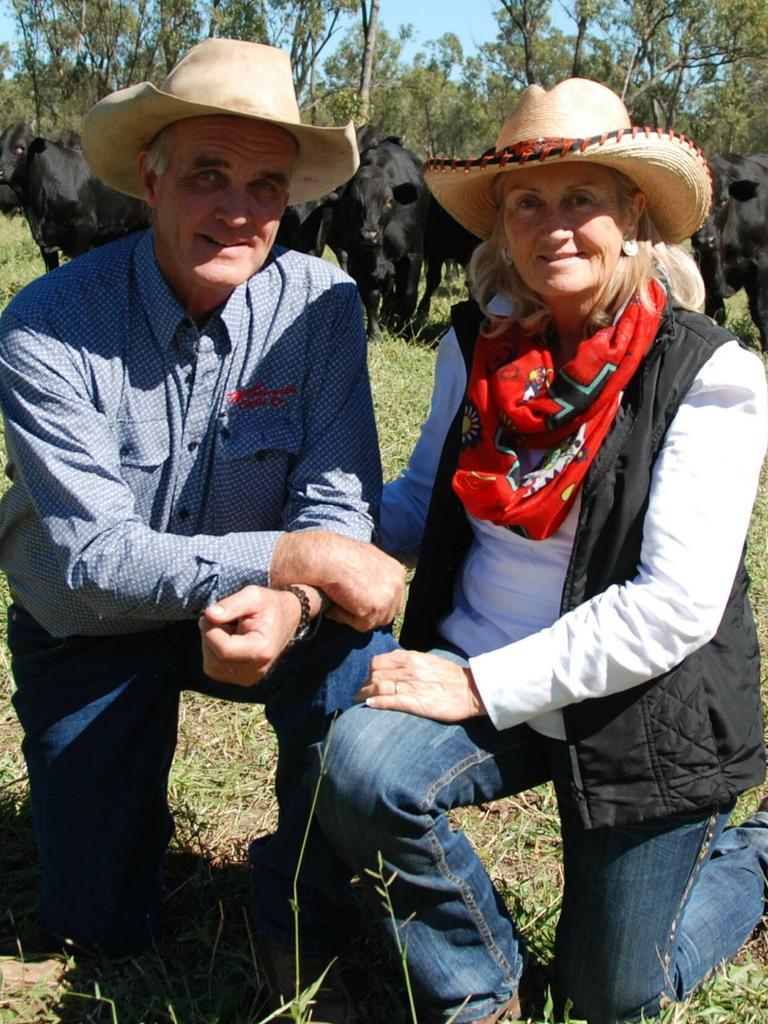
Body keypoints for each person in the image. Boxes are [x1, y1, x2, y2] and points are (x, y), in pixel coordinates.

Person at [309, 78, 768, 1024]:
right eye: (528, 201)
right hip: (484, 660)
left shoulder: (710, 374)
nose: (554, 226)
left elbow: (671, 607)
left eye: (583, 198)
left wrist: (476, 687)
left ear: (635, 215)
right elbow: (421, 500)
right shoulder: (475, 342)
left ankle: (756, 854)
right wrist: (310, 556)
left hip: (642, 705)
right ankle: (479, 986)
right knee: (361, 767)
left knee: (609, 1001)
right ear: (502, 225)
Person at [0, 37, 403, 1021]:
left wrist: (298, 592)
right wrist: (296, 557)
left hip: (256, 600)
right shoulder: (45, 325)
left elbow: (339, 500)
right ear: (150, 176)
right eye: (207, 174)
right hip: (88, 624)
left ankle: (295, 900)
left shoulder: (322, 306)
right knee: (101, 923)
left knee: (358, 645)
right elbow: (96, 560)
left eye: (266, 184)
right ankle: (108, 852)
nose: (237, 208)